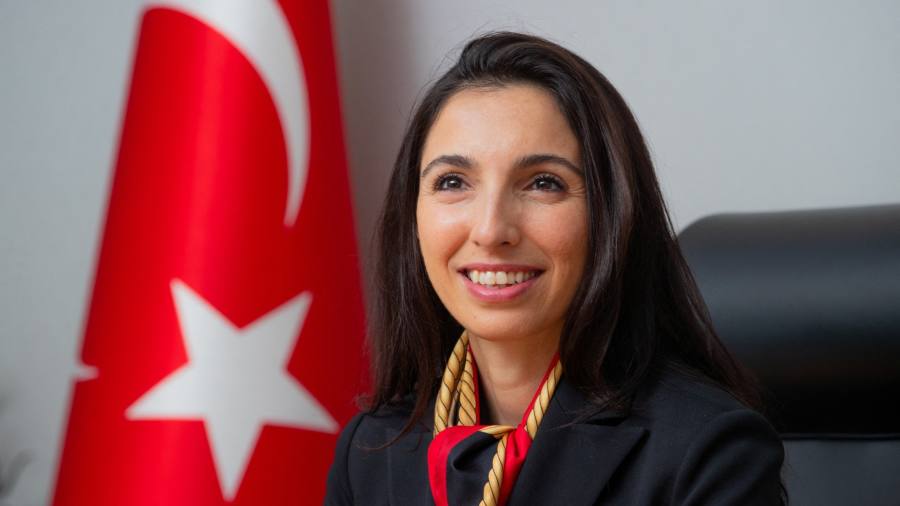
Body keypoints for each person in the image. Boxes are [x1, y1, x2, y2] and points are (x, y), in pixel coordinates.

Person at [325, 32, 785, 505]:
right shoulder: (370, 453)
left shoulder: (708, 453)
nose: (490, 230)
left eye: (543, 183)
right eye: (453, 181)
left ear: (613, 216)